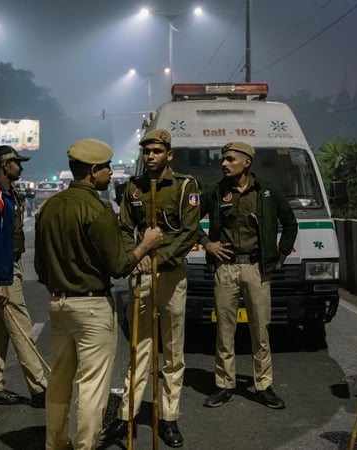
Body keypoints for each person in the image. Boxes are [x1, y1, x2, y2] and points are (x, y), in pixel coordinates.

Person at [34, 138, 163, 450]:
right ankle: (85, 446)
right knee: (92, 386)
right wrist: (145, 244)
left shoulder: (49, 207)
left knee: (60, 380)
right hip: (92, 306)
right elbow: (119, 265)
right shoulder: (98, 208)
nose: (109, 173)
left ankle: (55, 443)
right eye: (106, 167)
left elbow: (40, 268)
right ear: (93, 171)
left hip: (59, 304)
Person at [100, 129, 201, 448]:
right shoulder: (134, 187)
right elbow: (124, 229)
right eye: (146, 152)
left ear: (169, 154)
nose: (150, 156)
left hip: (171, 274)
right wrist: (139, 255)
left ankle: (169, 418)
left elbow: (189, 232)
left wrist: (161, 258)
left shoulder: (186, 186)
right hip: (142, 273)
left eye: (157, 151)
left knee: (172, 350)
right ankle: (127, 414)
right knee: (138, 346)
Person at [198, 141, 297, 410]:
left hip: (257, 270)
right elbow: (190, 220)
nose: (224, 163)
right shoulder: (216, 193)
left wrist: (281, 255)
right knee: (224, 331)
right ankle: (224, 384)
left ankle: (263, 385)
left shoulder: (266, 191)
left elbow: (290, 224)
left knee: (260, 330)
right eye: (223, 159)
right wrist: (208, 243)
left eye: (230, 159)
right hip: (226, 269)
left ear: (247, 162)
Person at [0, 145, 48, 408]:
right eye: (17, 162)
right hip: (2, 270)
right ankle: (40, 390)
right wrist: (4, 281)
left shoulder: (7, 194)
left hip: (8, 267)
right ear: (5, 165)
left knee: (0, 331)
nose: (22, 166)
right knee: (22, 328)